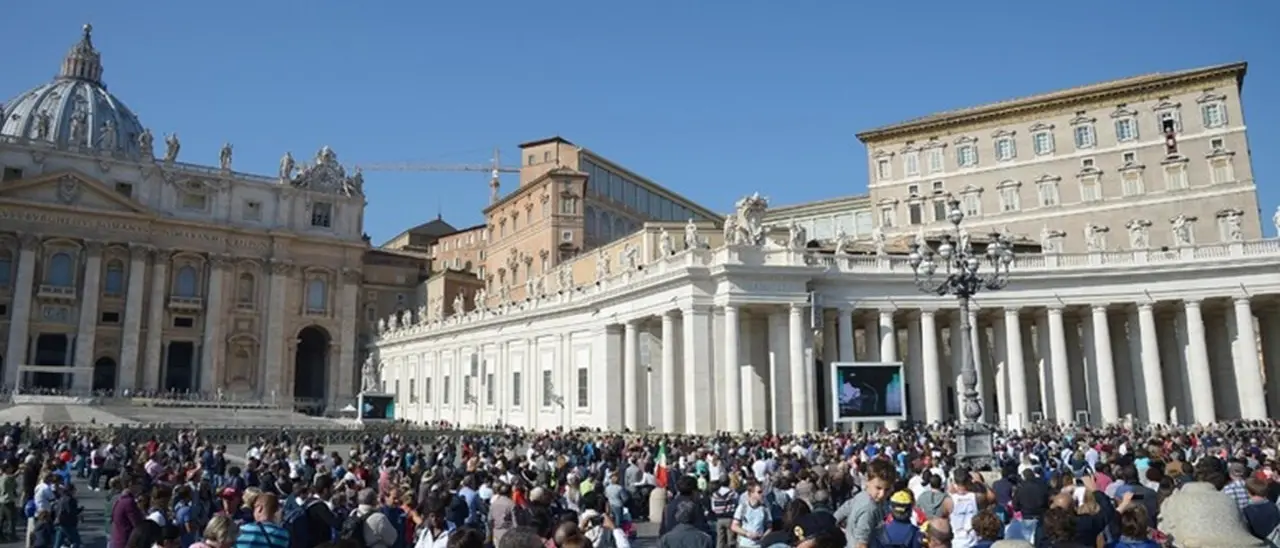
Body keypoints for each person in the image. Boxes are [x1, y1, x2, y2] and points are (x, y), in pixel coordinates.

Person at [838, 459, 896, 548]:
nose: (882, 494)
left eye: (887, 489)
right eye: (878, 488)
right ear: (867, 481)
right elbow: (861, 544)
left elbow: (839, 514)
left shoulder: (861, 496)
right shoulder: (869, 509)